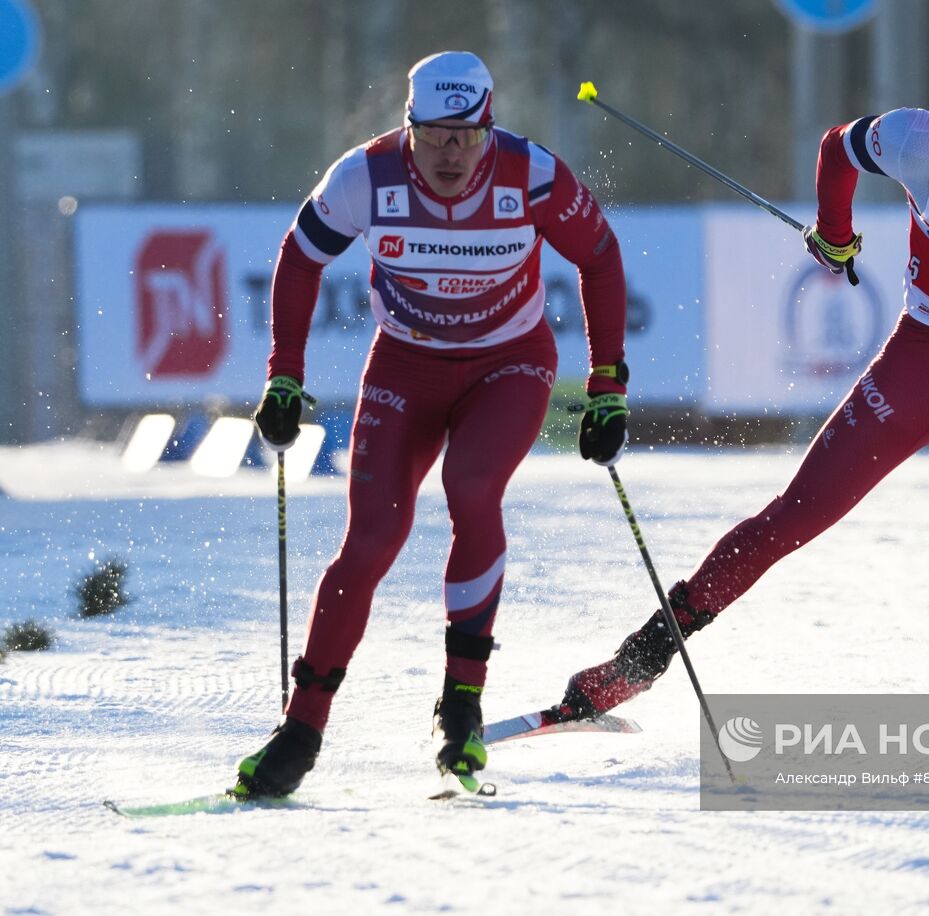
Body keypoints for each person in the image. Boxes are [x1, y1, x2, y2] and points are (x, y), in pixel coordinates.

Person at [553, 18, 929, 742]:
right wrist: (836, 231)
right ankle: (637, 661)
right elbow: (838, 149)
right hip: (927, 359)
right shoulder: (919, 138)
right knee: (794, 517)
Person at [234, 51, 631, 798]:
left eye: (468, 136)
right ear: (409, 125)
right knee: (371, 540)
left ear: (490, 126)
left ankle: (462, 708)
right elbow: (298, 258)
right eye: (435, 135)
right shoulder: (364, 176)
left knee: (472, 486)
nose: (451, 153)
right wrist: (284, 375)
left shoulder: (533, 174)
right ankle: (300, 730)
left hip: (508, 364)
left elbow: (601, 259)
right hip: (405, 367)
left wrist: (608, 385)